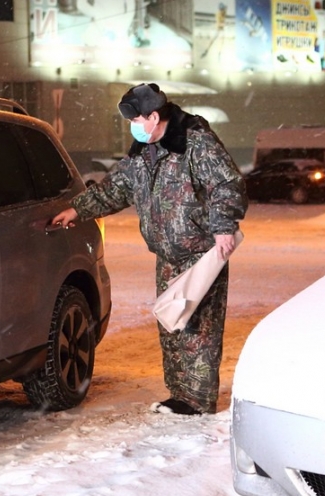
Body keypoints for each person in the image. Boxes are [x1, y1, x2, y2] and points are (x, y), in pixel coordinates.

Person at [49, 83, 247, 416]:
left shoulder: (195, 144)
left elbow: (227, 185)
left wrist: (223, 226)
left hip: (199, 253)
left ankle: (197, 401)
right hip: (167, 255)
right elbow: (115, 189)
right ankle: (180, 395)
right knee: (173, 323)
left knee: (199, 329)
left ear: (153, 116)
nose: (133, 127)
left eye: (136, 120)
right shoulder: (143, 153)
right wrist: (77, 209)